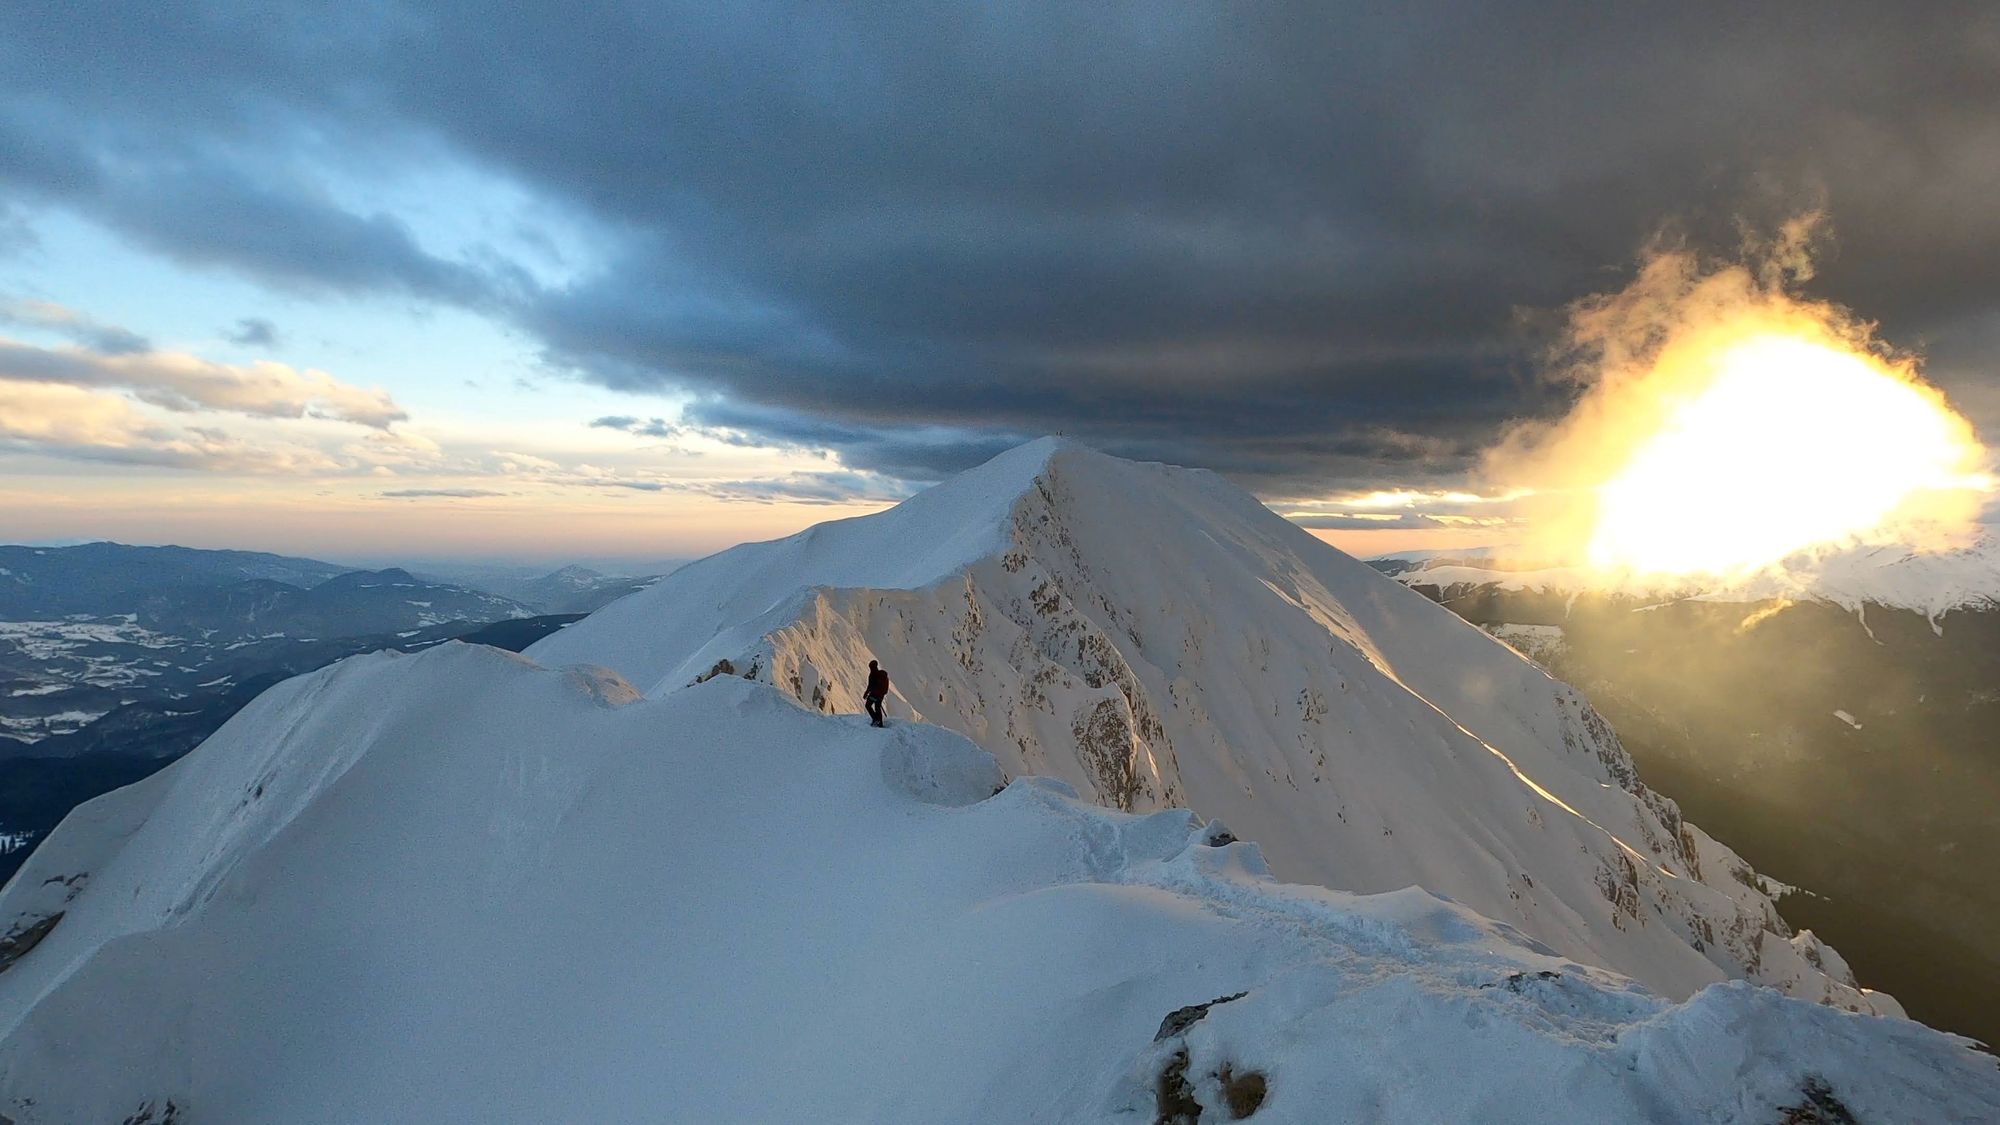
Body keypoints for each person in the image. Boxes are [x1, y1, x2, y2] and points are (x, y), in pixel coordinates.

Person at [863, 659, 889, 727]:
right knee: (877, 707)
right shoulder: (881, 674)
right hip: (881, 695)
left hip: (874, 695)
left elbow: (870, 686)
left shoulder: (872, 675)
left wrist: (866, 694)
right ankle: (880, 722)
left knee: (868, 705)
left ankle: (875, 719)